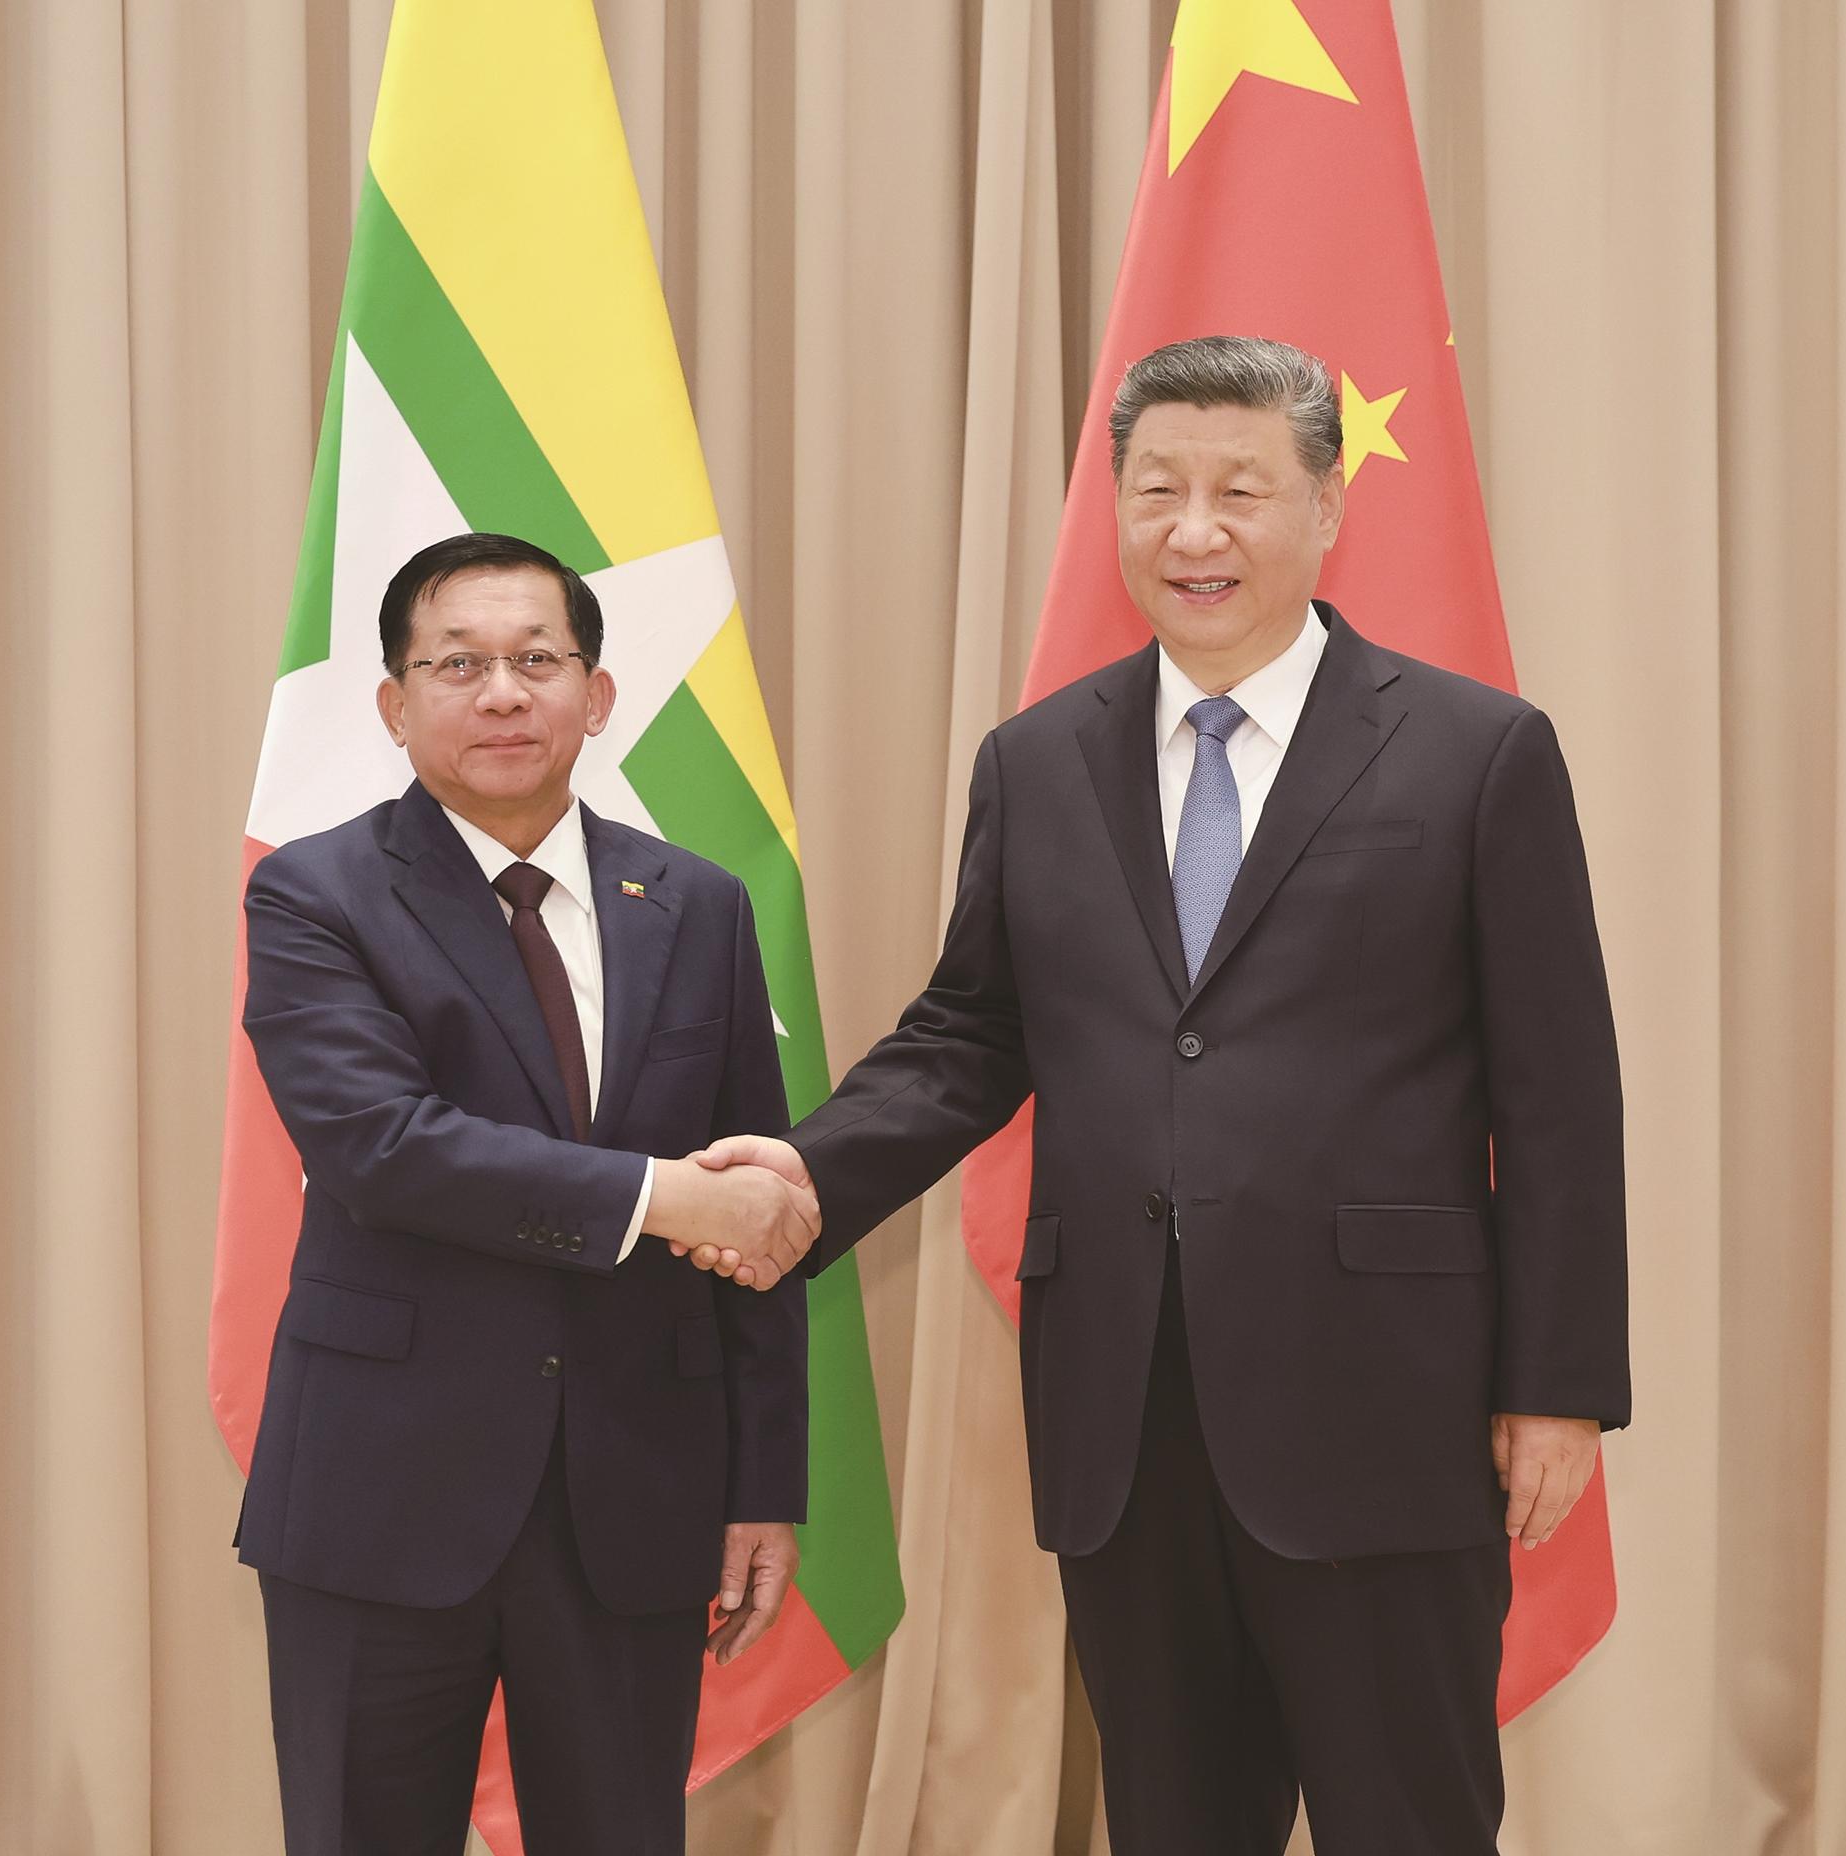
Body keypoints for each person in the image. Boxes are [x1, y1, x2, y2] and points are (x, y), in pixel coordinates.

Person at [683, 336, 1630, 1853]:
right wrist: (808, 1173)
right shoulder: (1039, 760)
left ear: (1326, 507)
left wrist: (1558, 1381)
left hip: (1385, 1403)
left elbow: (1561, 1091)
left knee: (1409, 1820)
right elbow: (970, 1033)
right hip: (1125, 1408)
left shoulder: (1474, 750)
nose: (1194, 531)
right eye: (1157, 490)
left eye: (1240, 491)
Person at [236, 530, 814, 1855]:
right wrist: (660, 1199)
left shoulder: (700, 905)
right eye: (459, 664)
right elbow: (383, 1146)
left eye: (537, 660)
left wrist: (762, 1483)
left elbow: (753, 1201)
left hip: (636, 1488)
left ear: (595, 695)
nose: (502, 693)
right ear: (395, 705)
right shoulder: (316, 893)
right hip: (382, 1489)